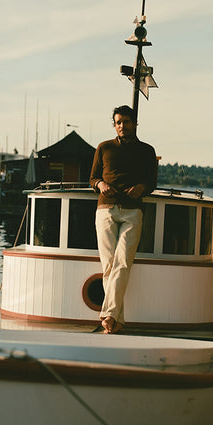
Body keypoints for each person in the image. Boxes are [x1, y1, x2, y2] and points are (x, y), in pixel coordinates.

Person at [89, 105, 157, 334]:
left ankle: (108, 315)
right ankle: (116, 319)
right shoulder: (104, 147)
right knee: (109, 266)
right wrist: (101, 185)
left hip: (132, 211)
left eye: (126, 122)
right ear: (114, 124)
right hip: (105, 209)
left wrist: (142, 188)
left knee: (122, 263)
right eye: (118, 122)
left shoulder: (147, 151)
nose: (122, 126)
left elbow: (152, 183)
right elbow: (93, 177)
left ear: (134, 124)